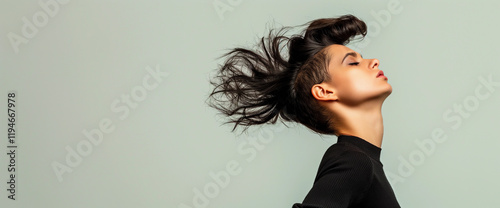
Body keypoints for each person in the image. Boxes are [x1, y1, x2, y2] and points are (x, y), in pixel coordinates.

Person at [206, 14, 400, 208]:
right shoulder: (355, 161)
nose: (374, 61)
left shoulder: (364, 163)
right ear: (324, 91)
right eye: (353, 63)